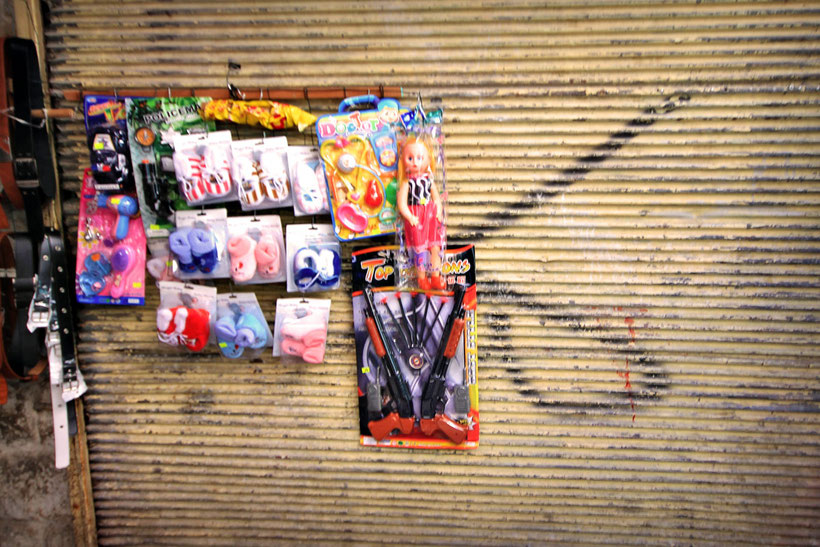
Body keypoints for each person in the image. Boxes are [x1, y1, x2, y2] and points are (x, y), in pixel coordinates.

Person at [396, 135, 445, 290]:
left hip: (430, 215)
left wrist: (439, 211)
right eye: (410, 158)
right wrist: (409, 216)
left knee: (435, 247)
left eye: (419, 157)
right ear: (403, 161)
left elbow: (436, 198)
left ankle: (436, 276)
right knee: (420, 250)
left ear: (428, 159)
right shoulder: (406, 182)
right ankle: (422, 278)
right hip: (416, 216)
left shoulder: (429, 179)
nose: (415, 162)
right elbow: (402, 202)